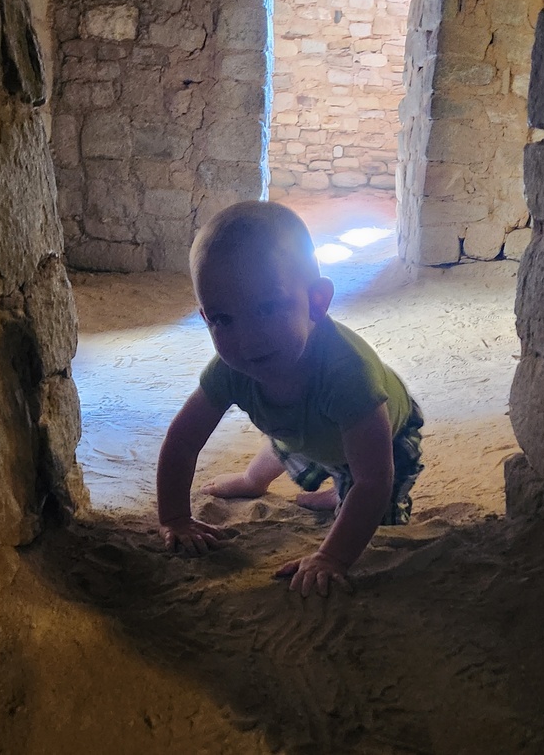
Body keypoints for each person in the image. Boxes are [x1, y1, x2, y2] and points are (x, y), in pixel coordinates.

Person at [156, 200, 424, 597]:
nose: (247, 341)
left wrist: (331, 558)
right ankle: (256, 479)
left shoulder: (350, 375)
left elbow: (374, 480)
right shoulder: (231, 367)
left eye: (266, 309)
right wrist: (175, 518)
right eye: (223, 319)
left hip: (384, 435)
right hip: (306, 428)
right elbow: (181, 442)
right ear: (205, 317)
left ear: (317, 301)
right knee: (288, 431)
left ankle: (341, 488)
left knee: (375, 514)